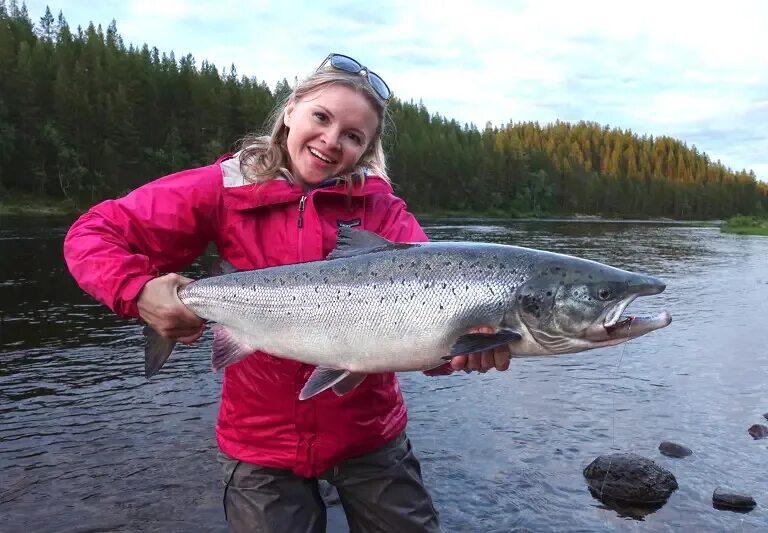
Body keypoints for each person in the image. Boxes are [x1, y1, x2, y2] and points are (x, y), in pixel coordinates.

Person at [64, 53, 510, 532]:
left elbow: (424, 336)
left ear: (366, 149)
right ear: (291, 110)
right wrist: (138, 290)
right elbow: (93, 233)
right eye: (321, 117)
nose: (331, 141)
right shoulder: (224, 188)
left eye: (353, 136)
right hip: (260, 444)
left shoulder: (385, 214)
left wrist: (463, 351)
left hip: (370, 436)